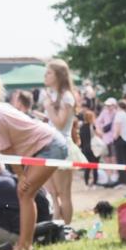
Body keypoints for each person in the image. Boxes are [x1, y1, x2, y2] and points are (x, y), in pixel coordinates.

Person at [0, 75, 66, 250]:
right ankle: (24, 246)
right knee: (25, 193)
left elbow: (10, 153)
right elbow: (8, 146)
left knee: (25, 192)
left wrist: (21, 176)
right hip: (45, 146)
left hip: (50, 146)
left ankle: (24, 247)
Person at [41, 59, 77, 223]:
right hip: (50, 145)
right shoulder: (52, 95)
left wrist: (48, 109)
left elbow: (61, 123)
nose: (45, 76)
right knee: (53, 193)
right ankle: (57, 224)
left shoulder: (67, 96)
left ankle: (67, 228)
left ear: (58, 75)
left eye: (49, 72)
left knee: (64, 193)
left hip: (62, 146)